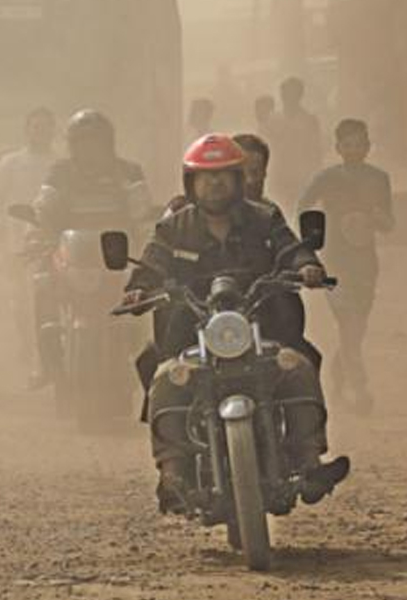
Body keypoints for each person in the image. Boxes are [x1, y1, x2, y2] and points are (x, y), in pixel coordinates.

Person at [122, 134, 349, 512]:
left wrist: (307, 266)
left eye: (223, 176)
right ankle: (173, 476)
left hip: (263, 326)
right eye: (205, 177)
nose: (214, 185)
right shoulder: (174, 228)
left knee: (299, 366)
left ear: (240, 180)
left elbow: (289, 246)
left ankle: (309, 463)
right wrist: (138, 289)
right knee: (165, 376)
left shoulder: (265, 218)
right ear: (190, 183)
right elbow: (151, 263)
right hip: (192, 331)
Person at [29, 109, 151, 389]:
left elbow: (142, 213)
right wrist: (37, 231)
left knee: (147, 291)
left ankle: (140, 356)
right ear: (72, 145)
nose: (89, 148)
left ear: (108, 142)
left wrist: (149, 238)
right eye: (82, 141)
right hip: (70, 257)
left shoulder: (128, 172)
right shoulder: (60, 172)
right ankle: (51, 362)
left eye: (95, 141)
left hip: (119, 258)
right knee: (42, 282)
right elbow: (44, 207)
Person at [299, 119, 394, 415]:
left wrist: (378, 218)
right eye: (347, 144)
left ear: (368, 146)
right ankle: (360, 387)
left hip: (366, 263)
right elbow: (304, 206)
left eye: (359, 144)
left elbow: (390, 223)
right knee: (348, 323)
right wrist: (313, 236)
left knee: (356, 328)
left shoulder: (379, 178)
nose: (354, 150)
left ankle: (339, 375)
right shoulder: (327, 178)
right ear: (337, 147)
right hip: (334, 261)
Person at [0, 107, 58, 369]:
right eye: (36, 127)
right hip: (16, 239)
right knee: (20, 299)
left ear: (53, 132)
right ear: (27, 130)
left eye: (45, 127)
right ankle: (25, 345)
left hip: (48, 239)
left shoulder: (60, 165)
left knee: (47, 295)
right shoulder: (11, 163)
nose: (40, 132)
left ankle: (47, 348)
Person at [267, 77, 322, 212]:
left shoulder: (309, 120)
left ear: (299, 95)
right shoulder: (273, 119)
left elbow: (315, 149)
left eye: (292, 93)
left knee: (299, 209)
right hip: (278, 172)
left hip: (300, 173)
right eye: (285, 93)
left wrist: (313, 171)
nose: (288, 97)